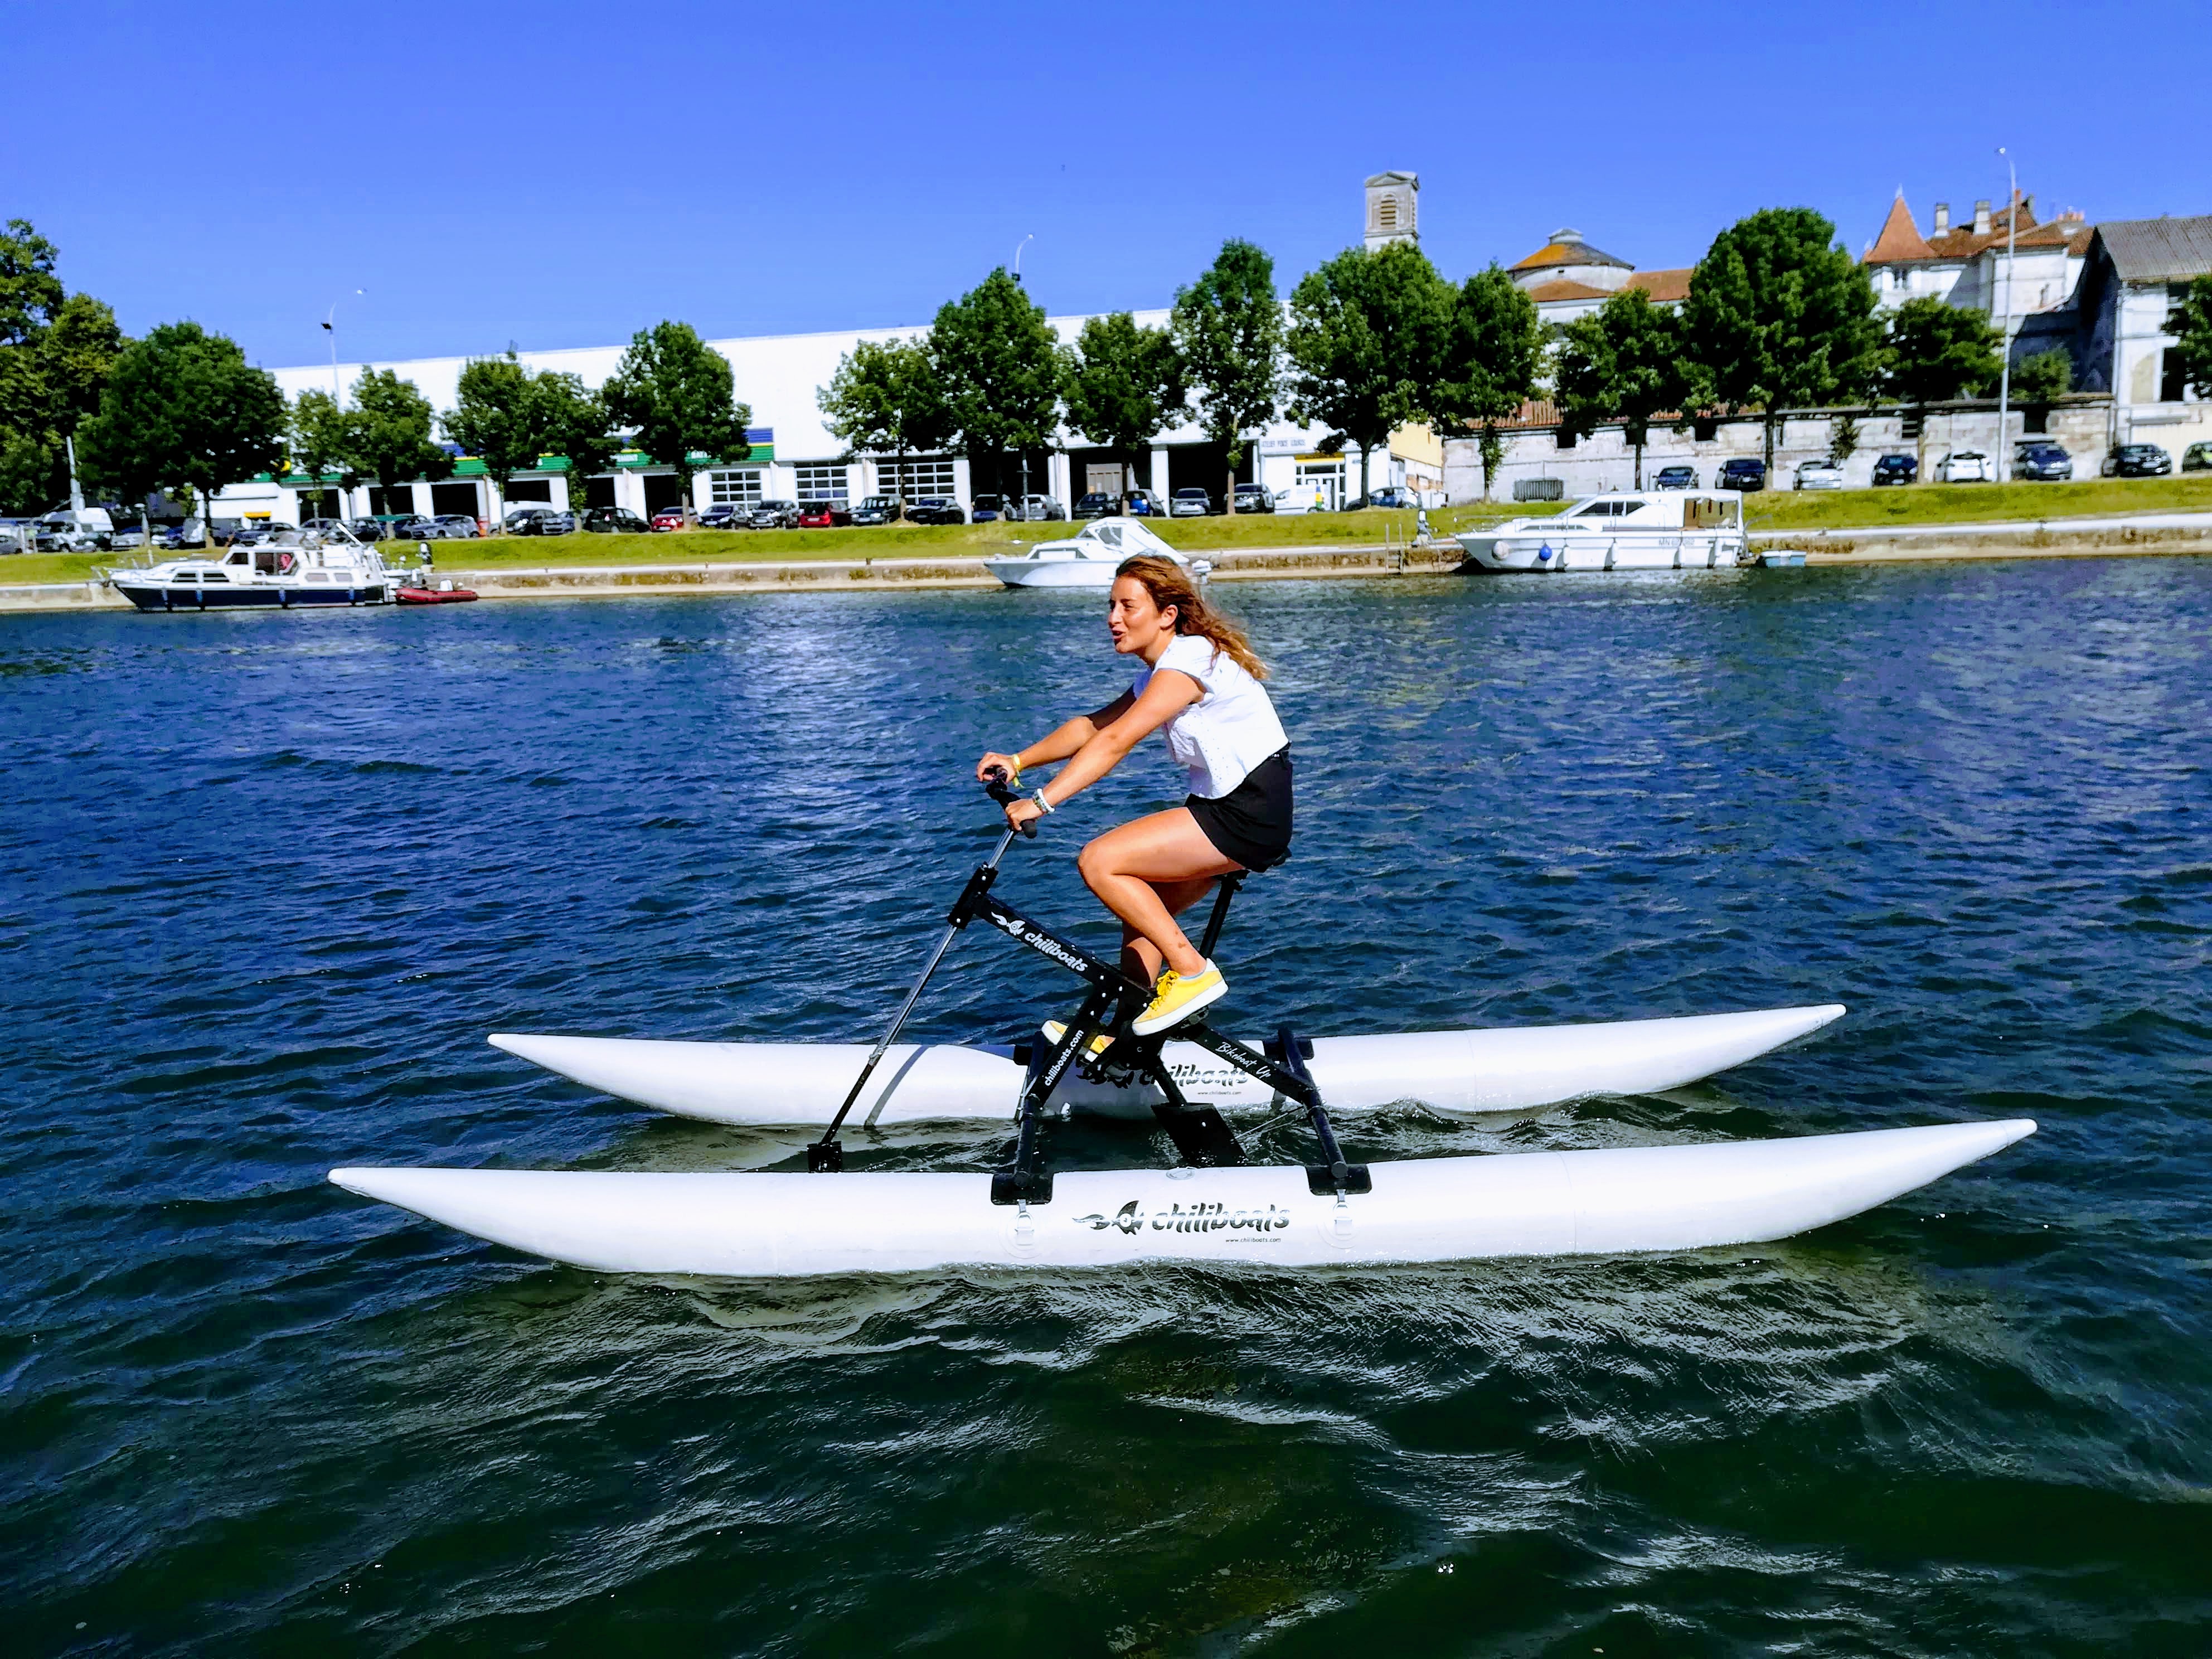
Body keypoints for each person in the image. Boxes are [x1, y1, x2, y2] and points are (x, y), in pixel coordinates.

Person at [976, 555, 1292, 1039]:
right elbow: (1092, 726)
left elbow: (1115, 742)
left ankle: (1192, 972)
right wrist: (1019, 762)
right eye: (1111, 606)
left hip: (1246, 810)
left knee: (1100, 860)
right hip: (1229, 807)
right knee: (1142, 914)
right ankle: (1126, 1038)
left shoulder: (1188, 661)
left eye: (1128, 607)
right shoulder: (1159, 671)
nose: (1113, 619)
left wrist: (1040, 802)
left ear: (1167, 615)